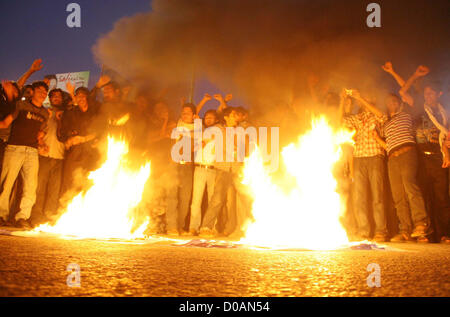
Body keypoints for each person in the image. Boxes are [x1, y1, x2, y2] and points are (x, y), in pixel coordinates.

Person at [398, 65, 450, 243]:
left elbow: (447, 136)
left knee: (442, 198)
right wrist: (414, 74)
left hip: (439, 158)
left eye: (431, 94)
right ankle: (425, 234)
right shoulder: (420, 109)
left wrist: (447, 153)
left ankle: (444, 234)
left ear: (439, 95)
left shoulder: (444, 114)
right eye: (426, 93)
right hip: (421, 158)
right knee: (424, 195)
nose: (427, 96)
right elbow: (403, 92)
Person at [372, 93, 431, 242]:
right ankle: (405, 230)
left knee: (409, 186)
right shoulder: (386, 124)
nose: (391, 104)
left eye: (393, 101)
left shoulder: (406, 115)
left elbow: (407, 94)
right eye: (388, 102)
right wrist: (377, 139)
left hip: (407, 153)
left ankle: (421, 224)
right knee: (398, 195)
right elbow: (388, 146)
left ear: (399, 103)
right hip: (392, 158)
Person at [340, 89, 388, 241]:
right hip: (359, 158)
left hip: (375, 157)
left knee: (377, 196)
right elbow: (342, 121)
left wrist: (361, 98)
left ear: (372, 99)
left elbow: (382, 117)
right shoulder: (357, 117)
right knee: (359, 197)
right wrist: (342, 100)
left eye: (367, 96)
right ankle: (363, 231)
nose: (363, 98)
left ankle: (381, 231)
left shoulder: (376, 114)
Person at [0, 81, 50, 228]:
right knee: (7, 184)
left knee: (30, 185)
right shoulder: (21, 106)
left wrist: (42, 144)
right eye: (39, 90)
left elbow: (40, 134)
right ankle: (1, 214)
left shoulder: (45, 113)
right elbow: (6, 122)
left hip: (32, 151)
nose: (42, 93)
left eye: (44, 91)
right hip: (15, 148)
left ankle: (22, 217)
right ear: (33, 92)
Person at [199, 107, 252, 239]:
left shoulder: (242, 130)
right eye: (233, 115)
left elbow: (246, 149)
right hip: (223, 168)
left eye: (236, 115)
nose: (236, 118)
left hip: (237, 168)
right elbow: (205, 138)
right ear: (226, 118)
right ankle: (206, 227)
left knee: (241, 199)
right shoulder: (218, 129)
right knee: (217, 198)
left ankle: (239, 228)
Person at [29, 89, 66, 226]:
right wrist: (40, 143)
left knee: (54, 190)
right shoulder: (44, 112)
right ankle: (36, 217)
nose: (56, 98)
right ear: (49, 98)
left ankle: (49, 217)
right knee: (40, 187)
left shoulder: (65, 114)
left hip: (60, 156)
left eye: (59, 96)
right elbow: (37, 131)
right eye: (54, 96)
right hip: (44, 155)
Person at [59, 87, 99, 205]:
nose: (80, 98)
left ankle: (86, 206)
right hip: (75, 153)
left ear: (87, 98)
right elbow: (64, 131)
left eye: (83, 96)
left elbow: (100, 130)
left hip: (92, 153)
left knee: (89, 182)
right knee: (69, 181)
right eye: (78, 96)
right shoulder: (71, 113)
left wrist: (84, 139)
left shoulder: (95, 112)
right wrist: (69, 139)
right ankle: (65, 208)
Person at [189, 108, 220, 235]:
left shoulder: (219, 132)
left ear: (216, 120)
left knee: (213, 200)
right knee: (196, 200)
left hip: (214, 170)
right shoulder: (201, 132)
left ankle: (210, 227)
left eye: (211, 117)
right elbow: (192, 146)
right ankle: (193, 227)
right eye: (206, 117)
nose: (208, 119)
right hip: (200, 168)